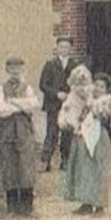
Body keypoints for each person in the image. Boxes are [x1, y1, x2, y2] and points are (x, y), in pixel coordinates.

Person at [57, 67, 111, 214]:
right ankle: (86, 202)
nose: (98, 88)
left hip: (98, 136)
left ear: (107, 89)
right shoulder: (85, 98)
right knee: (83, 168)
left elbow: (107, 117)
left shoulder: (109, 101)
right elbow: (72, 110)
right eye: (96, 85)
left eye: (102, 86)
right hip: (83, 135)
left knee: (98, 169)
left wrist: (92, 107)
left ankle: (99, 204)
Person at [0, 57, 42, 216]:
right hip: (6, 131)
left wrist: (13, 102)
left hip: (24, 131)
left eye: (18, 69)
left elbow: (34, 105)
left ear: (22, 70)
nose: (15, 72)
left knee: (26, 167)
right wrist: (20, 106)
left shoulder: (27, 88)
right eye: (12, 69)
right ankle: (12, 207)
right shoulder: (0, 88)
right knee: (9, 166)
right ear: (7, 70)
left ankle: (27, 207)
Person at [39, 35, 79, 172]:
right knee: (52, 132)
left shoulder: (75, 66)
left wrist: (71, 95)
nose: (64, 49)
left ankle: (65, 161)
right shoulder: (50, 65)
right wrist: (57, 94)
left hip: (69, 106)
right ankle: (46, 161)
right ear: (56, 48)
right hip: (53, 104)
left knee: (67, 134)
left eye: (67, 47)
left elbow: (80, 85)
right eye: (61, 46)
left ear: (70, 49)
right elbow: (43, 85)